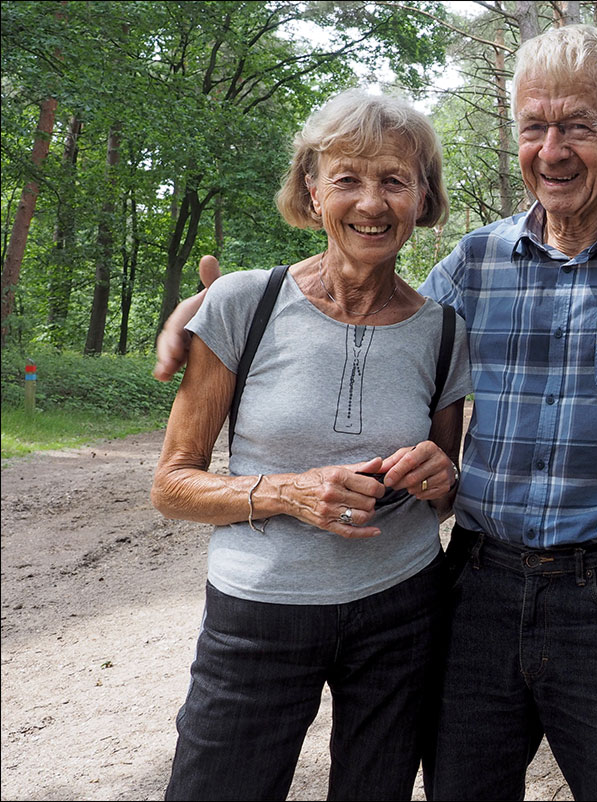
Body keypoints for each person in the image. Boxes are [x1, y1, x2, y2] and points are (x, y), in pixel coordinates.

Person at [157, 25, 597, 801]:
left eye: (578, 125)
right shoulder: (477, 262)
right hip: (476, 588)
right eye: (534, 127)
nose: (552, 149)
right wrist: (214, 307)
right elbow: (368, 304)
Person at [150, 88, 471, 801]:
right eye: (348, 178)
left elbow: (447, 496)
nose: (372, 203)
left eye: (394, 180)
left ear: (423, 198)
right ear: (311, 188)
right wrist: (282, 492)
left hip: (403, 610)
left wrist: (439, 475)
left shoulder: (444, 330)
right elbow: (171, 485)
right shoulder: (242, 303)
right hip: (258, 614)